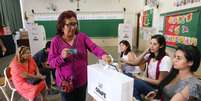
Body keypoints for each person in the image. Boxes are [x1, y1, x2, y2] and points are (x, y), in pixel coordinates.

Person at [48, 10, 108, 101]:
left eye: (74, 24)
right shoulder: (55, 41)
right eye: (69, 24)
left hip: (81, 81)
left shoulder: (82, 37)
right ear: (62, 26)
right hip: (66, 83)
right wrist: (61, 57)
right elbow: (51, 63)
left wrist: (103, 55)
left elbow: (94, 47)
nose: (72, 27)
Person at [123, 34, 172, 100]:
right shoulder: (150, 56)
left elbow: (159, 82)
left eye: (155, 44)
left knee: (135, 82)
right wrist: (145, 52)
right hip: (149, 84)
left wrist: (141, 77)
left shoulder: (165, 59)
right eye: (150, 43)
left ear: (161, 45)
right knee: (128, 76)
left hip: (158, 89)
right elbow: (135, 63)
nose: (151, 46)